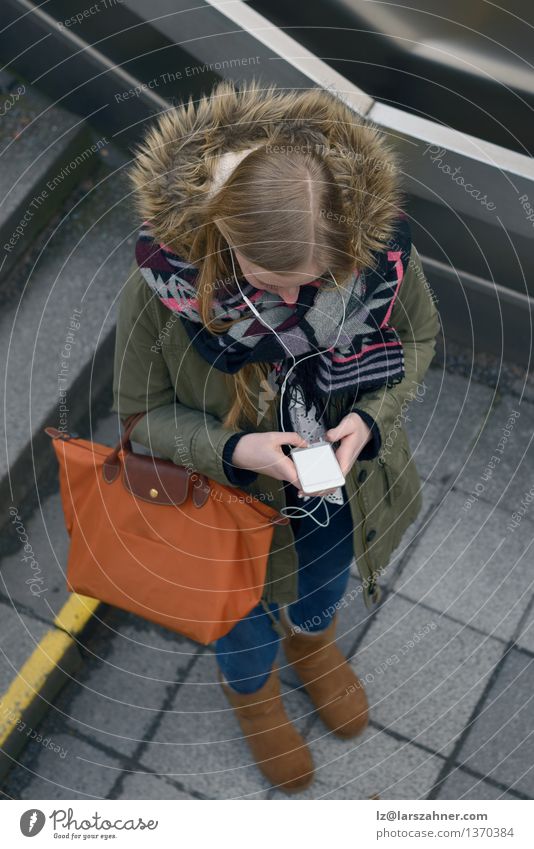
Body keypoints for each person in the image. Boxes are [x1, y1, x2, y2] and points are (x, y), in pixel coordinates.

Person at [111, 78, 440, 793]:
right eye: (272, 281)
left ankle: (312, 641)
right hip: (220, 512)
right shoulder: (158, 291)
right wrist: (234, 450)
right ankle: (253, 691)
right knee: (239, 623)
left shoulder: (377, 258)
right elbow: (137, 414)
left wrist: (367, 420)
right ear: (223, 239)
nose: (295, 303)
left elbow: (419, 339)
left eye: (314, 281)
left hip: (328, 494)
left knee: (323, 581)